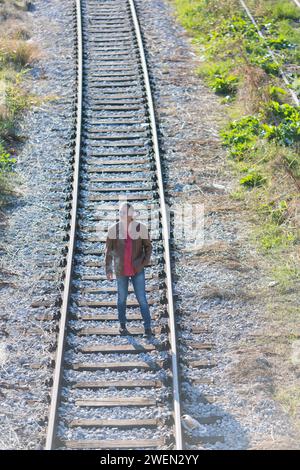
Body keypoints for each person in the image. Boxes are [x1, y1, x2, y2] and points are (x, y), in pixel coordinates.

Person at [105, 203, 152, 337]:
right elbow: (108, 251)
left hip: (137, 269)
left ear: (131, 214)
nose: (122, 215)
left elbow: (148, 247)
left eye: (125, 212)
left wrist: (144, 262)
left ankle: (148, 328)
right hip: (121, 270)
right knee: (122, 299)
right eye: (120, 212)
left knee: (142, 298)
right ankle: (122, 325)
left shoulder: (141, 228)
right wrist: (108, 269)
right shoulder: (113, 229)